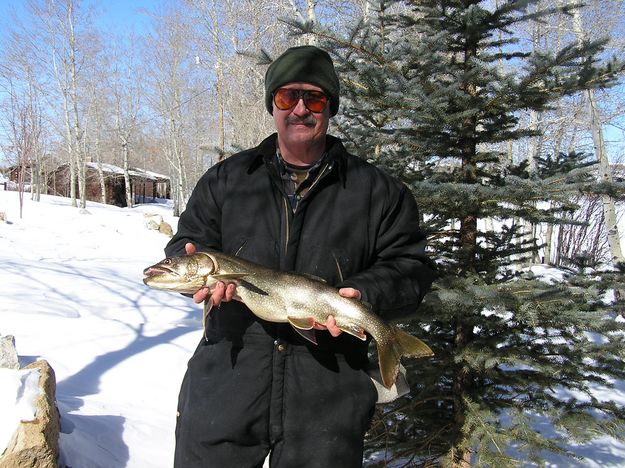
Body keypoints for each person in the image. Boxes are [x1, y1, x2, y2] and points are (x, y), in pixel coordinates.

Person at [165, 45, 435, 468]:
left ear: (331, 108)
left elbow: (412, 269)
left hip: (328, 395)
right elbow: (186, 247)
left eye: (315, 98)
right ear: (272, 104)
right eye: (287, 97)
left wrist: (364, 294)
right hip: (226, 383)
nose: (300, 110)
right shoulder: (227, 181)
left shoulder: (377, 192)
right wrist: (196, 273)